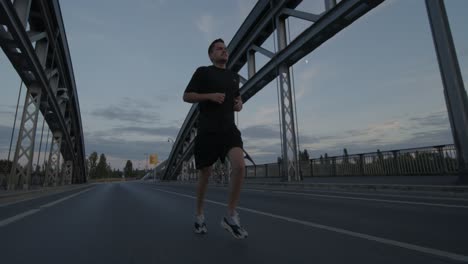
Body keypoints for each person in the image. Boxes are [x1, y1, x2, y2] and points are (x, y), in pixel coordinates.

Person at [183, 38, 248, 239]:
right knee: (205, 174)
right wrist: (209, 96)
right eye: (219, 49)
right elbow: (186, 96)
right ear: (211, 55)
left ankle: (230, 215)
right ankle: (199, 215)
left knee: (239, 166)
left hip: (229, 130)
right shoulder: (203, 72)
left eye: (225, 48)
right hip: (207, 130)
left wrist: (240, 104)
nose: (224, 51)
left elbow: (238, 100)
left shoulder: (233, 77)